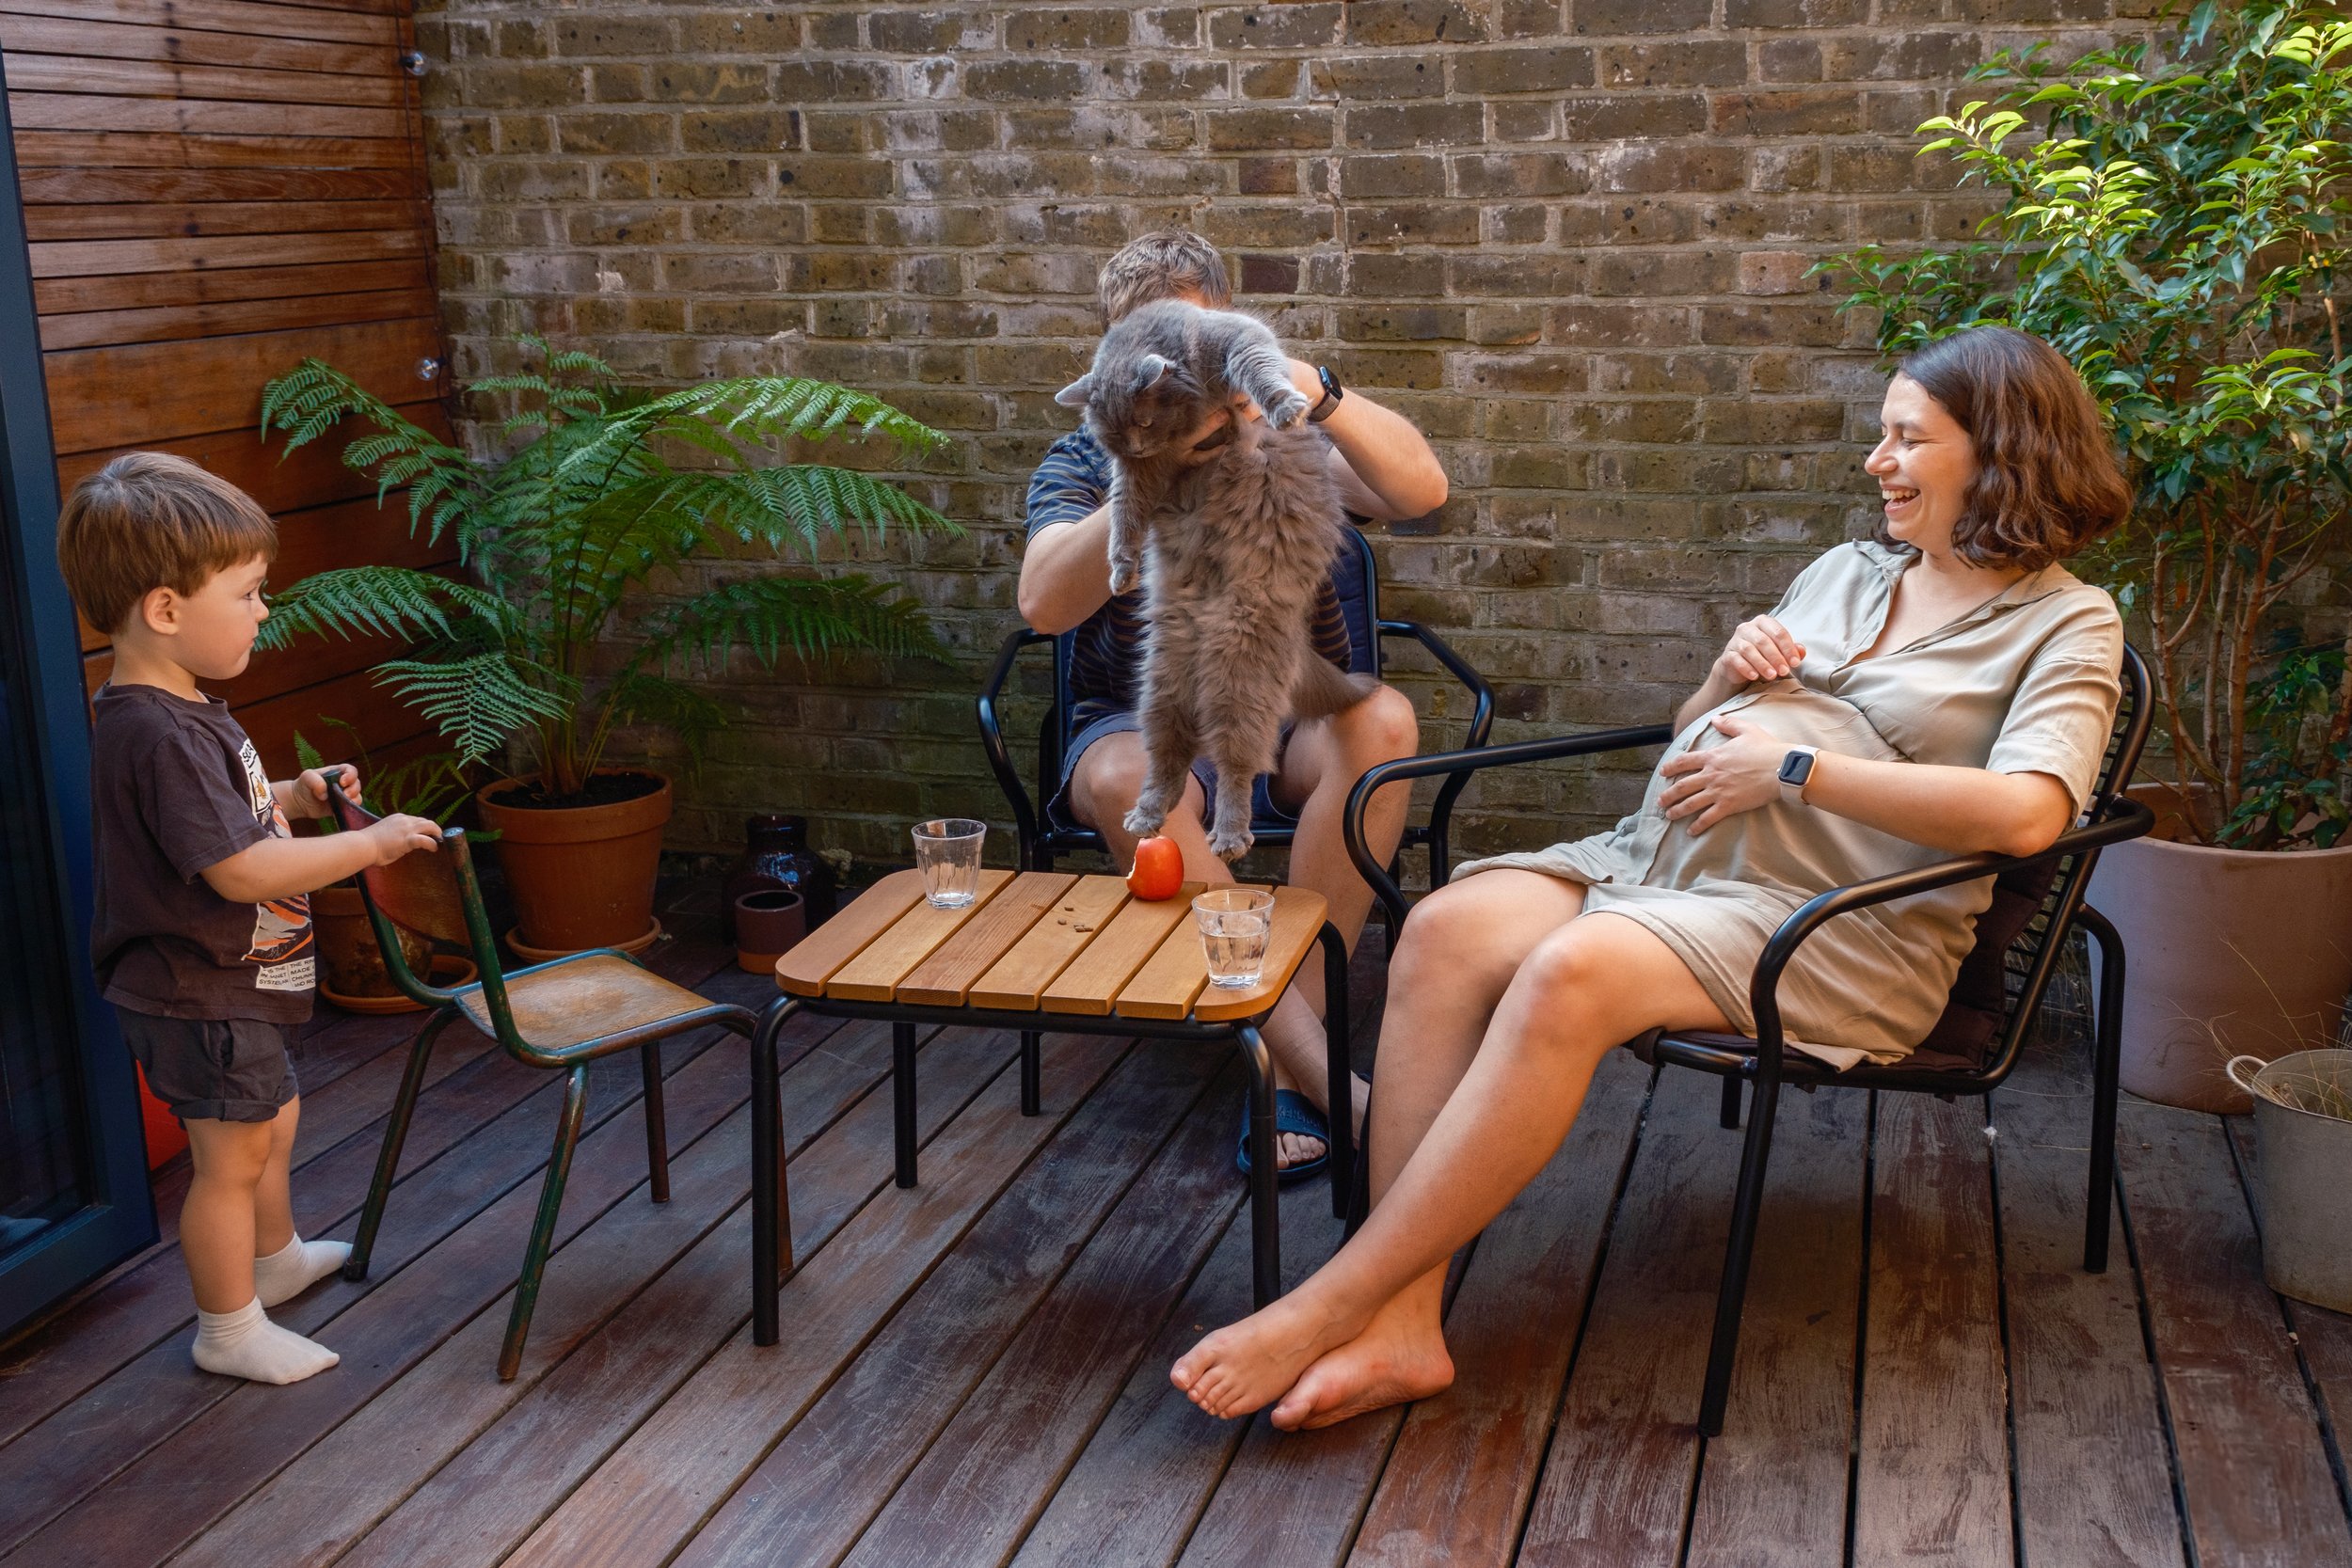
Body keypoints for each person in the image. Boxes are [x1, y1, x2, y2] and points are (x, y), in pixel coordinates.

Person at [1169, 325, 2134, 1428]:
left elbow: (2030, 812)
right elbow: (1694, 731)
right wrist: (1725, 679)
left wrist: (1796, 765)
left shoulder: (2066, 620)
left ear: (2000, 452)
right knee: (1440, 928)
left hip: (1827, 924)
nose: (1877, 462)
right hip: (1659, 861)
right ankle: (1402, 1324)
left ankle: (1333, 1298)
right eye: (1882, 436)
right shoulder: (1847, 570)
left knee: (1569, 971)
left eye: (1907, 439)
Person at [1018, 231, 1450, 1179]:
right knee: (1131, 775)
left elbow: (1421, 488)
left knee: (1381, 723)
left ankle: (1288, 1052)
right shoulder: (1086, 456)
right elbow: (1043, 602)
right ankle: (1324, 1078)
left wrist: (1308, 385)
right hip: (1136, 727)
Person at [58, 453, 443, 1385]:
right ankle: (227, 1325)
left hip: (231, 980)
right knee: (229, 1157)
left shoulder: (176, 709)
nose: (265, 609)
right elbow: (239, 868)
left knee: (275, 1116)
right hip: (195, 986)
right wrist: (371, 842)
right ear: (164, 609)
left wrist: (300, 795)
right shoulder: (156, 729)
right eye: (250, 592)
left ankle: (274, 1259)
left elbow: (231, 814)